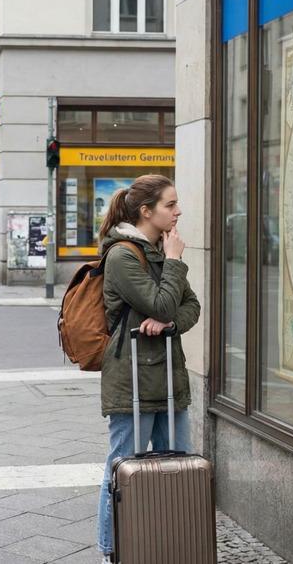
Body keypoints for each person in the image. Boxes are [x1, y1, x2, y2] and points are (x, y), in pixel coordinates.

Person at [94, 175, 201, 563]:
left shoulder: (158, 249)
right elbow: (160, 303)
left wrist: (169, 324)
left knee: (179, 468)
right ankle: (112, 551)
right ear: (146, 211)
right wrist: (173, 263)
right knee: (124, 472)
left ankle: (166, 546)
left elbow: (189, 308)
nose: (178, 211)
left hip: (170, 378)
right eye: (170, 205)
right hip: (132, 379)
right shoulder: (123, 255)